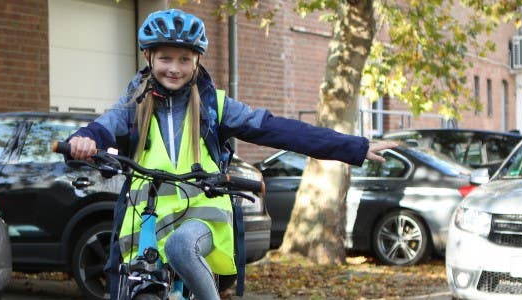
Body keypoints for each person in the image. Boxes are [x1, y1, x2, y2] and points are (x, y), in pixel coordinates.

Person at [64, 9, 396, 300]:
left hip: (202, 216)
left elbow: (281, 130)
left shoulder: (214, 106)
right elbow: (101, 128)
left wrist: (356, 147)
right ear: (149, 58)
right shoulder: (131, 106)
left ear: (197, 61)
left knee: (181, 246)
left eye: (184, 59)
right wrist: (84, 139)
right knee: (132, 281)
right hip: (146, 218)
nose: (174, 68)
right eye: (165, 58)